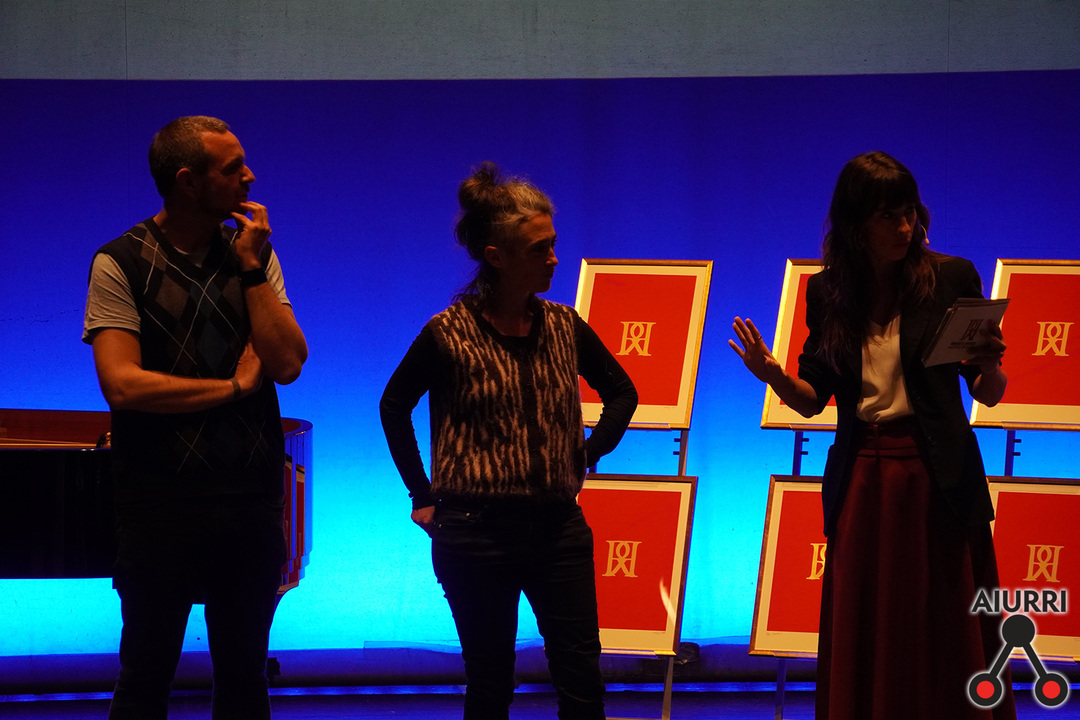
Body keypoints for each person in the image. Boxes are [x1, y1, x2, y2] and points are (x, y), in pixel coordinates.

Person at [729, 152, 1014, 720]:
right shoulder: (828, 291)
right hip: (864, 476)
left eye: (909, 213)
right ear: (856, 223)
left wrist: (991, 366)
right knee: (868, 621)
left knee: (946, 618)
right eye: (888, 216)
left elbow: (988, 392)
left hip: (938, 476)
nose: (904, 227)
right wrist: (772, 374)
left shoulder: (951, 277)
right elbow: (812, 399)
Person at [380, 162, 638, 720]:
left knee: (581, 677)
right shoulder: (449, 332)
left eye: (554, 245)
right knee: (491, 680)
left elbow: (622, 391)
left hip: (557, 528)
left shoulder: (564, 325)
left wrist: (589, 450)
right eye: (540, 249)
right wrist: (421, 495)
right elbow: (394, 405)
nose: (554, 258)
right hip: (475, 532)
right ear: (496, 256)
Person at [83, 115, 308, 720]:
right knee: (145, 675)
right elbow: (122, 384)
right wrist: (233, 388)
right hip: (160, 504)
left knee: (244, 679)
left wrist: (252, 268)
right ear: (187, 181)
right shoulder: (120, 261)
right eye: (233, 168)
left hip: (249, 500)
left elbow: (287, 363)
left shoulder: (252, 254)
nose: (250, 177)